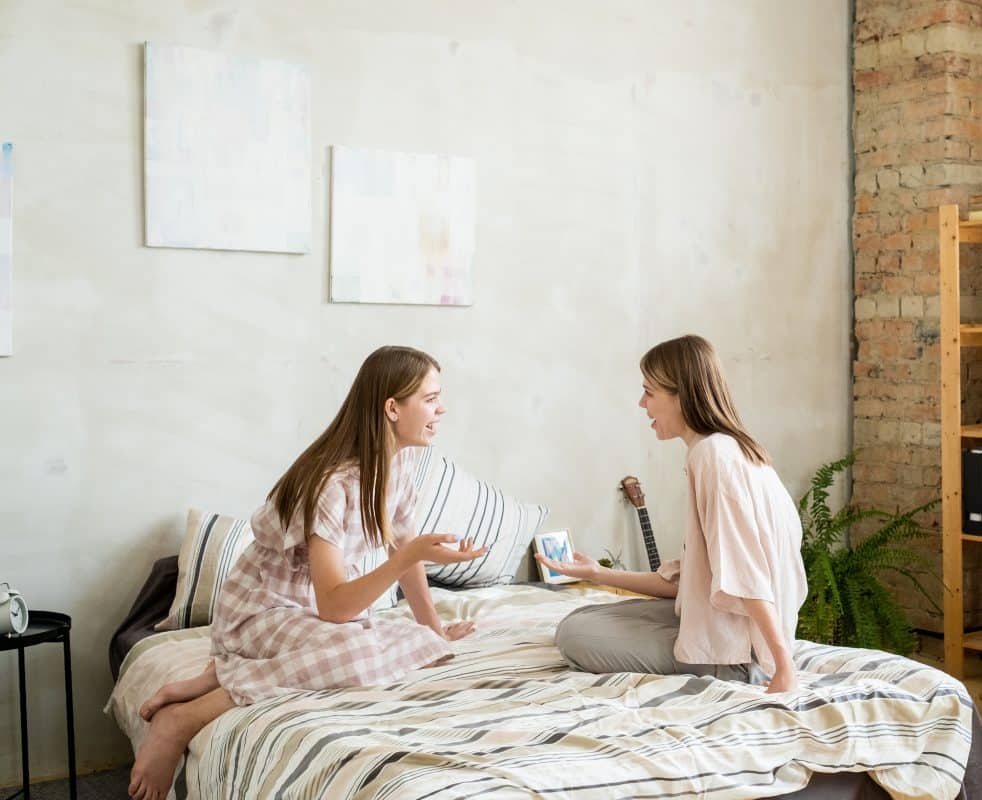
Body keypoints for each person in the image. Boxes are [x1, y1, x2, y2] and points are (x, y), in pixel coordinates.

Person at [128, 346, 486, 800]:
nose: (442, 408)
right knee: (358, 650)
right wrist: (402, 557)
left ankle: (220, 673)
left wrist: (434, 629)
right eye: (431, 398)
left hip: (301, 618)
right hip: (259, 614)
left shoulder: (396, 471)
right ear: (393, 408)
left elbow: (406, 551)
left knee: (418, 645)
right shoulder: (334, 485)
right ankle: (183, 718)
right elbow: (336, 607)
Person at [536, 334, 807, 694]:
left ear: (681, 395)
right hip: (724, 627)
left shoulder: (713, 457)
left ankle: (741, 670)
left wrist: (783, 667)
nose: (641, 403)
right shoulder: (729, 449)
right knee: (581, 617)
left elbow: (746, 571)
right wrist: (597, 573)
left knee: (575, 635)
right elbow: (692, 580)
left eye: (649, 392)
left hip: (738, 653)